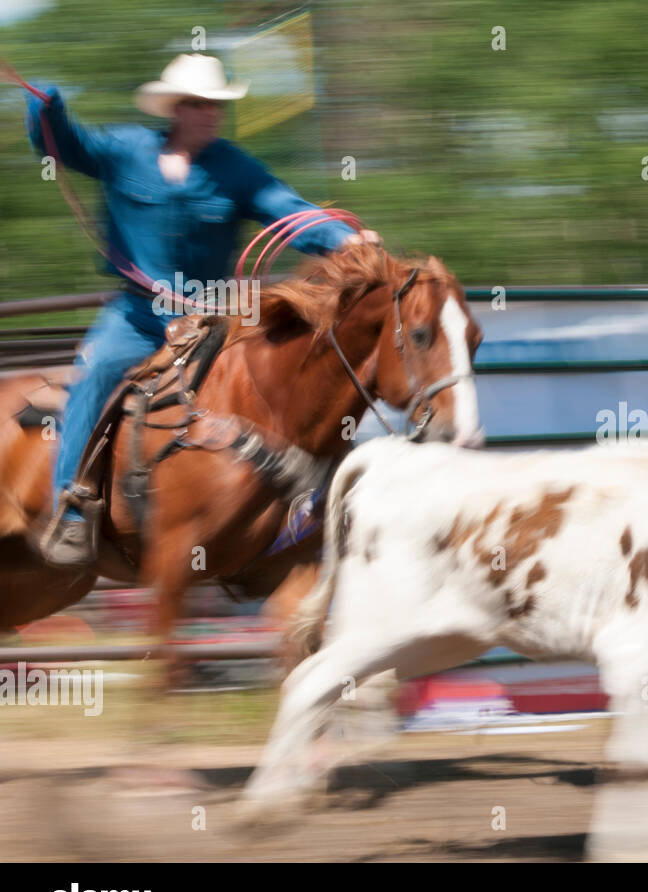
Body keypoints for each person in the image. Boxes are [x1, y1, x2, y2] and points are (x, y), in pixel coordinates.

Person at [17, 54, 378, 568]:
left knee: (279, 375)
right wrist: (46, 108)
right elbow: (65, 144)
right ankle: (71, 508)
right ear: (176, 108)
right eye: (199, 103)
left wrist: (346, 240)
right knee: (95, 373)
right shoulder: (125, 150)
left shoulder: (235, 168)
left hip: (210, 320)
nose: (210, 113)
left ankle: (302, 500)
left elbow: (288, 210)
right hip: (137, 319)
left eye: (215, 104)